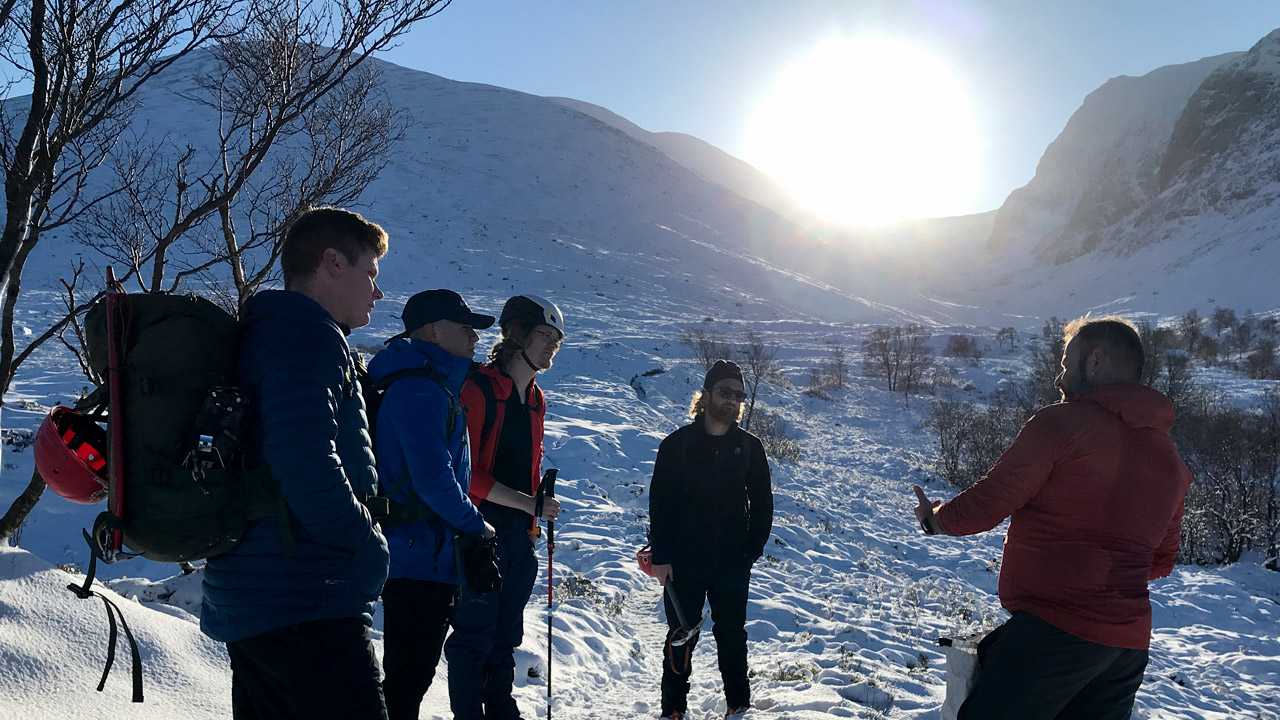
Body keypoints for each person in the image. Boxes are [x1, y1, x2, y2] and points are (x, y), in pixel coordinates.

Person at [912, 316, 1192, 720]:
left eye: (1065, 364)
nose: (1059, 379)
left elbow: (991, 501)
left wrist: (934, 520)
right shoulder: (1171, 461)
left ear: (1095, 361)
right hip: (1126, 649)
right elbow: (1161, 560)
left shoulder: (1061, 424)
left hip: (1053, 634)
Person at [201, 207, 392, 719]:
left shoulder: (269, 331)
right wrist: (367, 545)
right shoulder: (305, 336)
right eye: (369, 273)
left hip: (261, 594)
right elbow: (306, 462)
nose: (376, 292)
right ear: (332, 262)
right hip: (306, 599)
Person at [369, 289, 499, 720]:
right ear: (431, 330)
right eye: (465, 328)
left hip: (422, 554)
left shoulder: (428, 384)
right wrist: (476, 525)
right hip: (417, 558)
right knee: (407, 680)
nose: (475, 338)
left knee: (408, 677)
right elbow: (433, 480)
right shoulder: (419, 391)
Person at [446, 294, 565, 720]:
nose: (551, 345)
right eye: (543, 335)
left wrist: (533, 515)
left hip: (519, 534)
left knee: (504, 634)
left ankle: (500, 710)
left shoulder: (536, 399)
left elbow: (528, 464)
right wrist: (528, 504)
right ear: (517, 335)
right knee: (473, 637)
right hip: (480, 528)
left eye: (556, 339)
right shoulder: (478, 389)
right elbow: (467, 473)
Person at [648, 359, 774, 720]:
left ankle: (738, 705)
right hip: (683, 562)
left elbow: (763, 503)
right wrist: (662, 556)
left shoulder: (750, 447)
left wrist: (751, 550)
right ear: (706, 395)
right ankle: (673, 709)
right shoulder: (677, 444)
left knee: (732, 637)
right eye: (724, 392)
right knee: (680, 638)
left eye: (738, 395)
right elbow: (661, 504)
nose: (731, 401)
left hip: (732, 562)